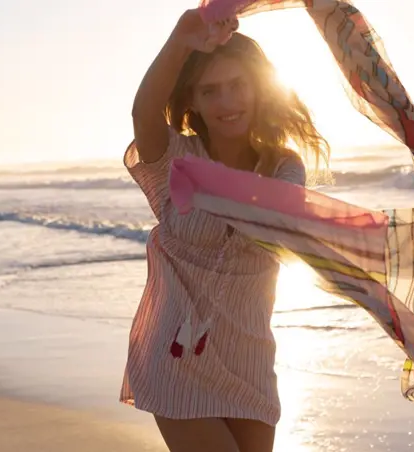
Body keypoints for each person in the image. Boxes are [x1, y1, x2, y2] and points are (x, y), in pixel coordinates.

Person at [120, 8, 330, 452]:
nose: (227, 101)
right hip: (176, 352)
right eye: (211, 91)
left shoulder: (282, 165)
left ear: (258, 89)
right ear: (192, 99)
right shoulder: (174, 160)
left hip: (250, 356)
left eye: (238, 86)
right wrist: (181, 39)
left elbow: (284, 220)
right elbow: (143, 110)